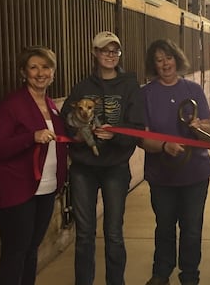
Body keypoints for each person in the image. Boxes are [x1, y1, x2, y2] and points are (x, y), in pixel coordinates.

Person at [61, 31, 145, 285]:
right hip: (83, 168)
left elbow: (137, 126)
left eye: (114, 51)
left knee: (114, 233)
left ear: (119, 54)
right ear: (94, 53)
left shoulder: (130, 86)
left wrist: (115, 136)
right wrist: (77, 132)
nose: (110, 55)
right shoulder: (82, 87)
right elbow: (66, 119)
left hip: (115, 167)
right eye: (104, 50)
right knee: (85, 234)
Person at [0, 46, 68, 285]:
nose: (40, 72)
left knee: (31, 249)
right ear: (24, 72)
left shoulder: (50, 104)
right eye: (33, 67)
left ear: (53, 72)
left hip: (45, 189)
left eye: (46, 67)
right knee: (16, 252)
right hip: (16, 189)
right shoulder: (11, 105)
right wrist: (30, 137)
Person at [140, 39, 210, 285]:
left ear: (177, 58)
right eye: (159, 60)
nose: (165, 64)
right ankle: (162, 273)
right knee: (164, 227)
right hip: (162, 175)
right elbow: (143, 138)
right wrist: (163, 146)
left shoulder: (193, 90)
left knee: (192, 229)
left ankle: (190, 275)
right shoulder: (146, 94)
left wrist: (199, 127)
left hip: (195, 173)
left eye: (168, 57)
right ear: (154, 65)